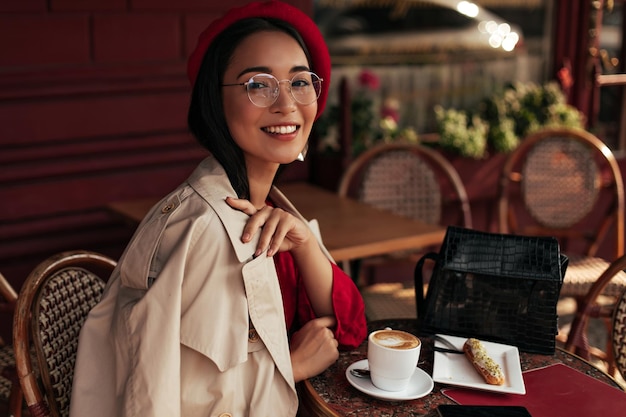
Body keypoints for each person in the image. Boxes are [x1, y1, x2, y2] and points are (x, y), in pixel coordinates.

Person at [69, 1, 367, 416]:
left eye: (300, 82)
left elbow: (347, 329)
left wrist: (303, 244)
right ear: (216, 102)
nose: (286, 103)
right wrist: (291, 366)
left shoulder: (265, 206)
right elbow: (164, 396)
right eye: (258, 84)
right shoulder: (209, 229)